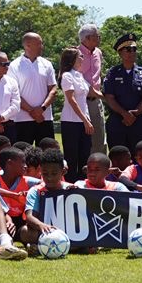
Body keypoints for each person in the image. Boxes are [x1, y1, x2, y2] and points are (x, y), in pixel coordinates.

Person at [102, 33, 142, 154]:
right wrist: (124, 114)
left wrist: (135, 113)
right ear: (120, 53)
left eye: (134, 49)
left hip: (138, 122)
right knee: (118, 156)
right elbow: (109, 97)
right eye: (128, 49)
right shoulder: (113, 73)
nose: (132, 52)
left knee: (139, 156)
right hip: (118, 121)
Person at [9, 32, 57, 145]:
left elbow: (53, 89)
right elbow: (14, 94)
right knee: (22, 156)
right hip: (22, 120)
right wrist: (32, 111)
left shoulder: (47, 64)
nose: (42, 46)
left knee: (47, 155)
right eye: (39, 43)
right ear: (28, 45)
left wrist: (42, 108)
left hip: (45, 118)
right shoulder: (14, 66)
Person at [57, 46, 92, 183]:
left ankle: (83, 184)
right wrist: (85, 120)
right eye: (80, 57)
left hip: (84, 121)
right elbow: (71, 100)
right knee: (72, 157)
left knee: (85, 156)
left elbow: (92, 93)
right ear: (72, 59)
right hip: (71, 122)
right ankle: (70, 184)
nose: (82, 59)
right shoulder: (67, 76)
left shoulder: (79, 75)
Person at [77, 25, 107, 156]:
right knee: (82, 139)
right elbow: (74, 76)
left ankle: (101, 169)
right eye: (97, 36)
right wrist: (91, 90)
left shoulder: (98, 53)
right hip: (80, 101)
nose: (99, 39)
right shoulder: (75, 54)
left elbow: (98, 75)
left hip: (96, 101)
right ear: (87, 38)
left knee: (99, 138)